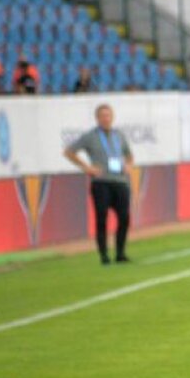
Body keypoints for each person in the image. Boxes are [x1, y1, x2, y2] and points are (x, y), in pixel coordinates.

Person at [63, 104, 135, 264]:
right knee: (101, 218)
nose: (105, 119)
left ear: (112, 117)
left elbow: (129, 155)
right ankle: (104, 255)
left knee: (124, 217)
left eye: (108, 115)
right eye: (102, 116)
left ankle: (120, 253)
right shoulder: (91, 136)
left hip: (120, 181)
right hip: (101, 182)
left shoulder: (119, 135)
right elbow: (69, 152)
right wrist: (87, 167)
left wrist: (129, 165)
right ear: (97, 118)